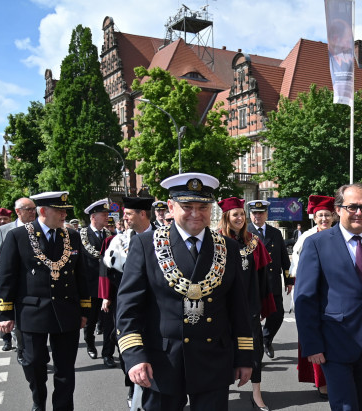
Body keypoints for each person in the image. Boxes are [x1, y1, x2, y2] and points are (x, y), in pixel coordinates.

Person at [116, 173, 253, 411]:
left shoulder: (228, 247)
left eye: (203, 207)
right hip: (162, 360)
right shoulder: (147, 245)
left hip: (213, 358)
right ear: (171, 206)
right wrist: (135, 356)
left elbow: (239, 307)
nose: (195, 213)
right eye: (187, 206)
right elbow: (128, 309)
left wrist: (244, 356)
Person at [294, 183, 362, 411]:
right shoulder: (317, 244)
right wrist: (311, 344)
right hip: (333, 342)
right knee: (345, 406)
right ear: (338, 209)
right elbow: (305, 299)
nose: (358, 212)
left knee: (360, 403)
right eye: (352, 206)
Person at [0, 191, 91, 411]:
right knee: (34, 363)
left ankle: (63, 407)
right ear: (42, 211)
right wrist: (4, 313)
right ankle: (39, 402)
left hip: (66, 310)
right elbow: (7, 275)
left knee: (65, 369)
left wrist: (85, 309)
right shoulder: (19, 236)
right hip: (33, 311)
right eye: (59, 211)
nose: (63, 216)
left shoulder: (72, 236)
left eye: (65, 211)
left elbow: (81, 275)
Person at [217, 197, 274, 411]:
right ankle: (220, 394)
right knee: (223, 353)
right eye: (235, 215)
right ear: (226, 218)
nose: (240, 218)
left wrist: (261, 306)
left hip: (248, 307)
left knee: (254, 352)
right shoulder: (215, 241)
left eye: (242, 214)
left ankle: (257, 394)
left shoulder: (253, 242)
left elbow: (261, 278)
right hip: (221, 309)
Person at [99, 196, 154, 405]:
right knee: (127, 348)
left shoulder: (162, 237)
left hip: (154, 306)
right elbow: (108, 271)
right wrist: (108, 297)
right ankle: (132, 387)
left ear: (142, 214)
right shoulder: (119, 241)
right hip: (126, 305)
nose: (125, 218)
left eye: (129, 214)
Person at [289, 195, 336, 400]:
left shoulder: (341, 235)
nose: (324, 219)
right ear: (314, 217)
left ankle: (335, 379)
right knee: (316, 339)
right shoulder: (306, 238)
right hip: (313, 296)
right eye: (320, 216)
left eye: (327, 215)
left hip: (334, 295)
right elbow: (297, 269)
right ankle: (322, 383)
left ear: (333, 216)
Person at [0, 198, 36, 361]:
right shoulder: (5, 230)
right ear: (18, 211)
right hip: (11, 282)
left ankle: (26, 349)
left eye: (34, 209)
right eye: (28, 209)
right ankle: (21, 349)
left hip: (31, 284)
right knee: (15, 321)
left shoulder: (38, 228)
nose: (33, 212)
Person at [247, 200, 292, 359]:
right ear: (250, 214)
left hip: (272, 283)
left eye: (261, 213)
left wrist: (289, 280)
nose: (257, 216)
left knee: (277, 316)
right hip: (252, 284)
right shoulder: (245, 232)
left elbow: (285, 259)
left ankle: (267, 339)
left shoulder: (275, 233)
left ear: (266, 214)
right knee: (253, 321)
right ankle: (257, 352)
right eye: (254, 213)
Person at [79, 198, 111, 363]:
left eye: (107, 214)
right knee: (90, 319)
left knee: (106, 320)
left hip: (105, 283)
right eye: (103, 214)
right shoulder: (82, 234)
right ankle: (90, 345)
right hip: (90, 284)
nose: (107, 217)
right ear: (93, 217)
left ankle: (107, 352)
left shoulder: (108, 234)